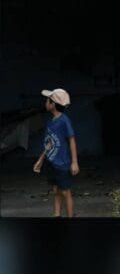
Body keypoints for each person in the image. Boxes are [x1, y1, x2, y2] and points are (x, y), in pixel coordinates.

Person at [33, 88, 79, 218]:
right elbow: (49, 144)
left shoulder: (64, 120)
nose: (45, 103)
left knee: (66, 193)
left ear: (53, 104)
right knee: (56, 191)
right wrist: (41, 160)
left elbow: (72, 141)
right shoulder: (50, 122)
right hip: (51, 163)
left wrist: (74, 162)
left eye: (47, 100)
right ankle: (57, 215)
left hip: (63, 164)